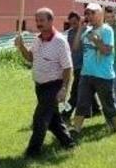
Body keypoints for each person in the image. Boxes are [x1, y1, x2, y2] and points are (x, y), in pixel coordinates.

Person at [14, 8, 76, 157]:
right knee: (53, 120)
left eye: (42, 20)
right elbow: (30, 57)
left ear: (51, 20)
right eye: (37, 20)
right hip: (40, 87)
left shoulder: (59, 42)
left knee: (39, 119)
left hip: (53, 86)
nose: (39, 23)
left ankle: (33, 152)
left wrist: (64, 88)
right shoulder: (38, 39)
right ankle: (68, 142)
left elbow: (68, 67)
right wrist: (21, 46)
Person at [69, 3, 116, 137]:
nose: (89, 16)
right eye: (87, 13)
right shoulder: (87, 31)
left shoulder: (107, 30)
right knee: (81, 102)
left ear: (100, 14)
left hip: (103, 75)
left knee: (108, 104)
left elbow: (107, 51)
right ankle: (76, 130)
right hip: (86, 74)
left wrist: (96, 41)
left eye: (92, 13)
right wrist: (80, 29)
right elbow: (75, 48)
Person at [63, 11, 100, 120]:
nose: (73, 25)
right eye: (71, 23)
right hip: (76, 65)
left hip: (86, 66)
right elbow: (73, 48)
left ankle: (66, 113)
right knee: (87, 89)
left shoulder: (89, 31)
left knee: (75, 92)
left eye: (75, 23)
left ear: (80, 21)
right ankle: (96, 109)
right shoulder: (70, 33)